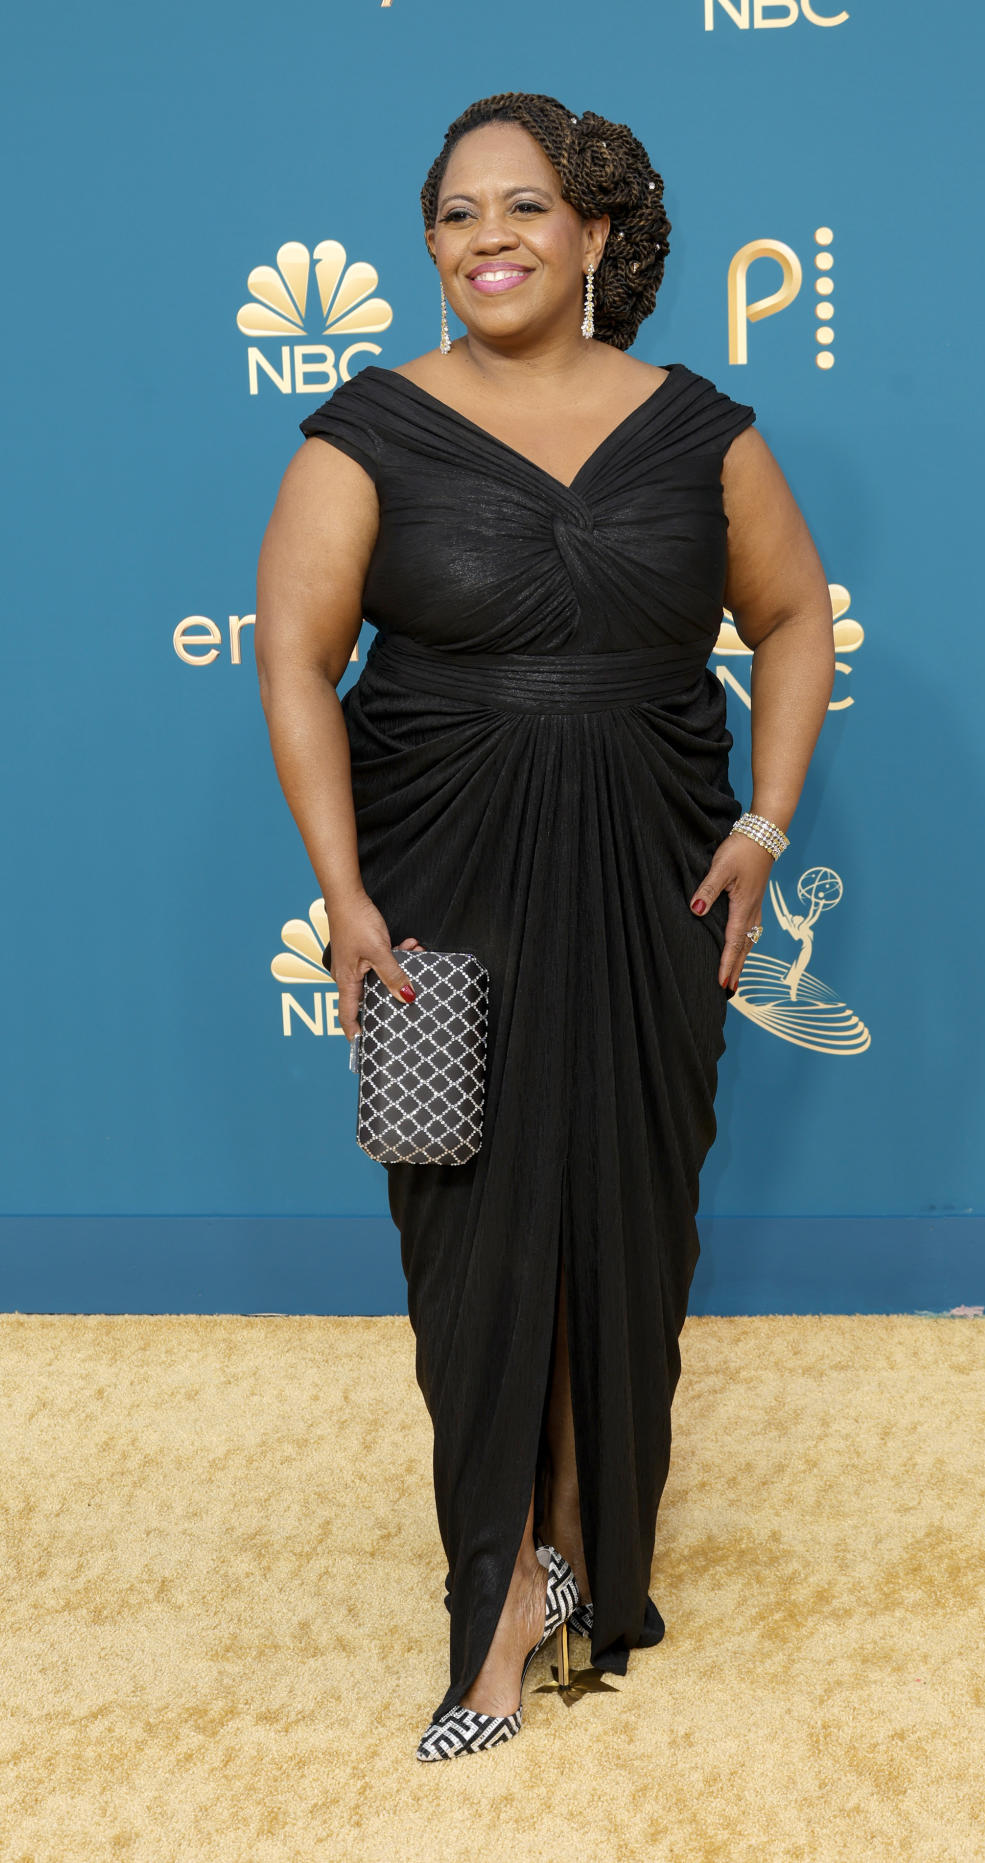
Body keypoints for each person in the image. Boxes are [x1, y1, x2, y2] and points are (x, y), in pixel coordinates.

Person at [255, 91, 835, 1762]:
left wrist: (762, 824)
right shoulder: (366, 429)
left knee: (625, 1226)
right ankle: (496, 1595)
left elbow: (791, 616)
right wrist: (346, 897)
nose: (485, 240)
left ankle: (585, 1555)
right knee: (475, 1244)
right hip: (435, 889)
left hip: (655, 880)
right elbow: (295, 659)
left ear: (594, 235)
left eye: (521, 209)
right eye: (453, 215)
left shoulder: (699, 427)